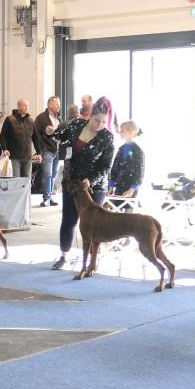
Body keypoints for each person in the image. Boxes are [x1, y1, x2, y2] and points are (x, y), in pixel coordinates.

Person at [51, 97, 116, 270]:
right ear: (89, 117)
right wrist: (52, 132)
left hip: (94, 187)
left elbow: (106, 166)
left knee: (94, 225)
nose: (99, 125)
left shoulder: (108, 138)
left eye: (103, 122)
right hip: (71, 182)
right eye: (96, 121)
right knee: (69, 220)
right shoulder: (76, 125)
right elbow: (61, 136)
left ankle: (93, 259)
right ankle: (63, 255)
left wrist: (91, 180)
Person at [34, 96, 62, 207]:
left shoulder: (59, 118)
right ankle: (46, 198)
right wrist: (40, 150)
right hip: (47, 150)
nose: (59, 106)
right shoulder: (41, 118)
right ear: (49, 104)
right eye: (56, 104)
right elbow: (36, 135)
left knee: (54, 174)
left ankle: (50, 197)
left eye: (59, 104)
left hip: (58, 150)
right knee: (47, 175)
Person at [0, 98, 37, 179]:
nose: (27, 107)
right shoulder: (10, 119)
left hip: (27, 156)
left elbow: (35, 138)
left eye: (28, 106)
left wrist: (39, 152)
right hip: (14, 156)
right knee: (15, 179)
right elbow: (3, 136)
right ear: (19, 106)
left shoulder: (31, 121)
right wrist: (4, 149)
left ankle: (26, 189)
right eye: (25, 106)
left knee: (26, 181)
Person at [109, 121, 145, 198]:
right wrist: (111, 185)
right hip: (119, 185)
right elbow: (115, 167)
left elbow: (140, 172)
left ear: (130, 132)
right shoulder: (121, 149)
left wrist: (132, 189)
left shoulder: (138, 151)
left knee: (128, 205)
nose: (120, 132)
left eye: (122, 130)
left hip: (131, 187)